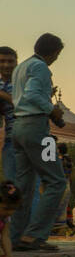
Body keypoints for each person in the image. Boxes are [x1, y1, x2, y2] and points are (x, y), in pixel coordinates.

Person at [9, 33, 68, 252]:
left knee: (23, 186)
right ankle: (34, 236)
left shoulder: (21, 67)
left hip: (18, 128)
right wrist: (51, 109)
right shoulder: (41, 68)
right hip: (37, 130)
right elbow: (32, 94)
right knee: (57, 181)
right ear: (53, 52)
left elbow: (24, 96)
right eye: (57, 54)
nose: (56, 59)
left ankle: (15, 237)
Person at [0, 46, 17, 184]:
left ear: (16, 62)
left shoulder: (23, 81)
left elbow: (24, 103)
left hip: (30, 139)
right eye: (2, 61)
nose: (6, 65)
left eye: (10, 61)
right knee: (10, 185)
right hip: (10, 139)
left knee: (31, 185)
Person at [0, 181, 22, 257]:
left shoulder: (5, 218)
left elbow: (6, 237)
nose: (9, 212)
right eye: (6, 208)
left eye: (13, 209)